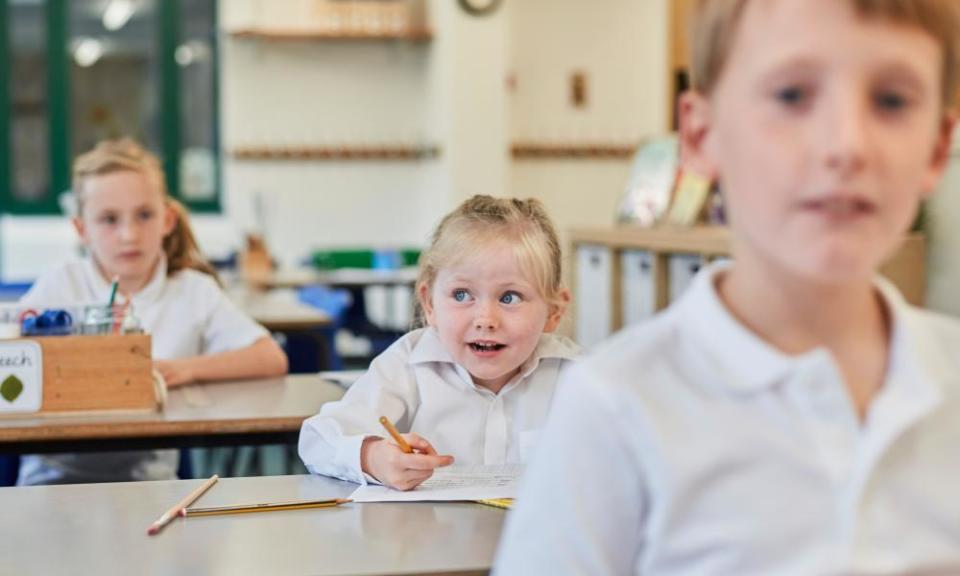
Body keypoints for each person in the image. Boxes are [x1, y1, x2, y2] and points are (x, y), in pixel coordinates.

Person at [495, 0, 960, 573]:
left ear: (938, 145)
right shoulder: (616, 407)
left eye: (891, 101)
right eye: (792, 96)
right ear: (702, 134)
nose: (846, 145)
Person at [18, 138, 287, 484]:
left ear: (168, 219)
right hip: (51, 484)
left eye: (144, 215)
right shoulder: (61, 283)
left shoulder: (192, 290)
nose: (129, 235)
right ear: (81, 229)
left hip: (152, 488)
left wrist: (183, 370)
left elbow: (269, 357)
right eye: (109, 219)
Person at [299, 195, 579, 490]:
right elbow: (318, 439)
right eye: (461, 295)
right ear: (429, 303)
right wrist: (373, 457)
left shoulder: (578, 377)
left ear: (554, 311)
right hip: (427, 534)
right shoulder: (408, 364)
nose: (485, 319)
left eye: (510, 297)